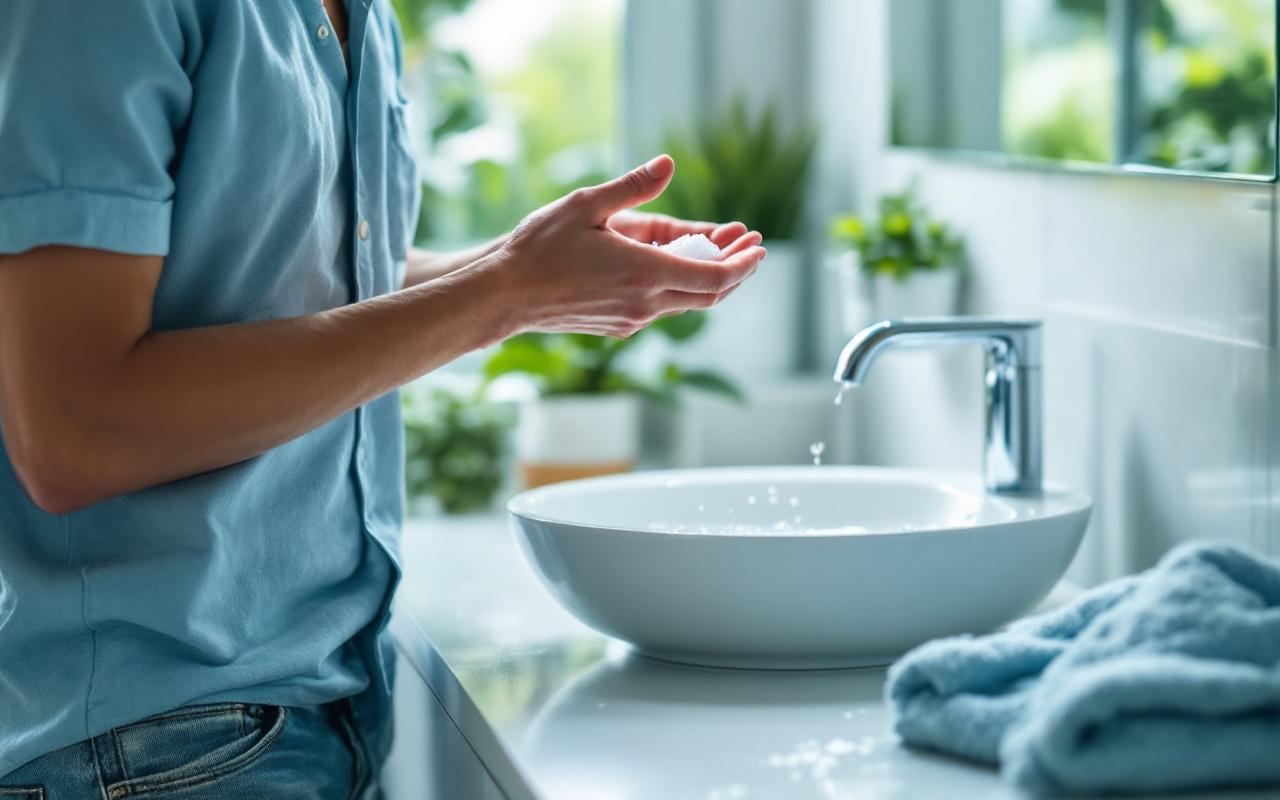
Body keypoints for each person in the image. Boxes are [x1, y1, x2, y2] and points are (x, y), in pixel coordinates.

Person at [0, 1, 765, 797]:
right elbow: (73, 430)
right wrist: (509, 290)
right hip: (150, 746)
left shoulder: (365, 18)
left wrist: (534, 272)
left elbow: (311, 284)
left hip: (324, 707)